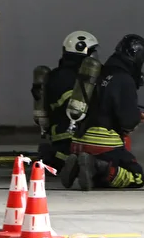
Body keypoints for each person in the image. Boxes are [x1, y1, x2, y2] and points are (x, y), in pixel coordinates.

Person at [59, 34, 144, 191]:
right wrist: (135, 117)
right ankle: (98, 166)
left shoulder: (99, 72)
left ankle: (82, 165)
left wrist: (135, 113)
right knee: (136, 176)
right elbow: (127, 121)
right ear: (135, 57)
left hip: (78, 141)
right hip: (103, 144)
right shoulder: (125, 79)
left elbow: (102, 104)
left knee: (98, 170)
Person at [32, 31, 100, 172]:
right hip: (73, 135)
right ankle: (63, 159)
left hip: (58, 134)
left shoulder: (55, 74)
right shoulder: (78, 78)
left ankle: (55, 157)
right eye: (93, 51)